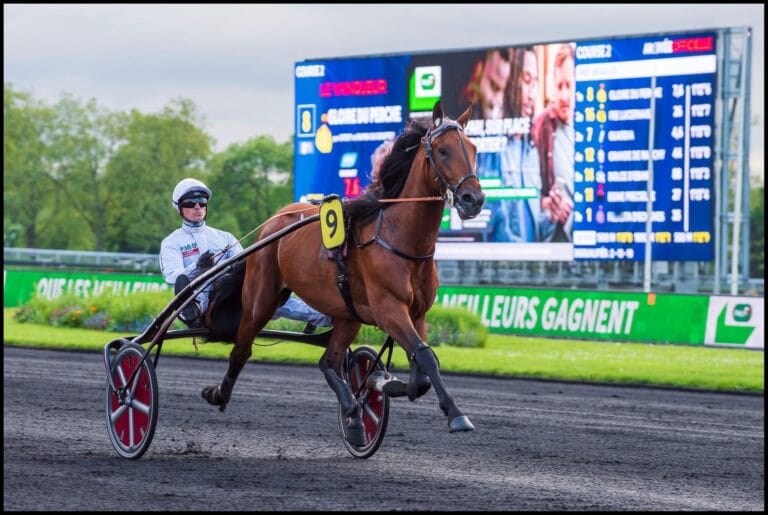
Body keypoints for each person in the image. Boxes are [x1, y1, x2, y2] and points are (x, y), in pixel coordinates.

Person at [159, 178, 331, 330]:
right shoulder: (171, 242)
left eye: (202, 202)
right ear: (180, 208)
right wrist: (197, 268)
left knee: (265, 296)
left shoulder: (225, 237)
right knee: (199, 293)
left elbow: (247, 267)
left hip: (232, 294)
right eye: (190, 203)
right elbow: (172, 277)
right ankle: (194, 310)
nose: (197, 207)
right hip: (202, 297)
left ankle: (327, 317)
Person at [531, 43, 575, 242]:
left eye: (569, 85)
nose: (564, 96)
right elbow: (529, 192)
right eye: (560, 86)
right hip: (554, 240)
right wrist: (547, 204)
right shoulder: (542, 126)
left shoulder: (596, 124)